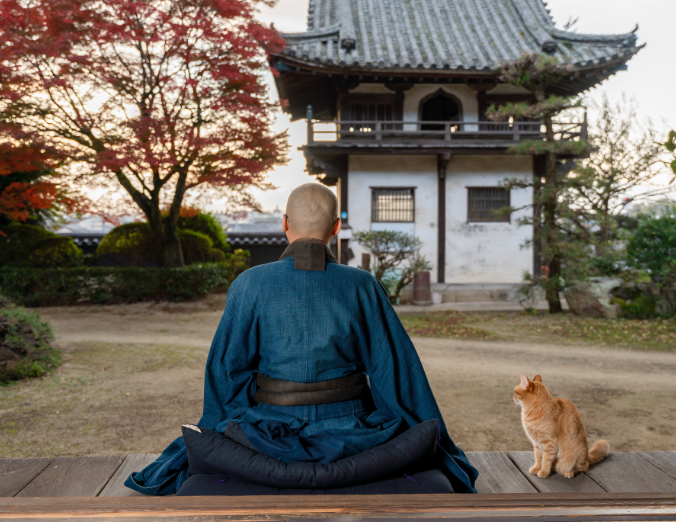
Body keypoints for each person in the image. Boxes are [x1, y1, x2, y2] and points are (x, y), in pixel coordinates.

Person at [126, 183, 478, 494]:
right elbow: (395, 372)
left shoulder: (250, 283)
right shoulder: (361, 285)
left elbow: (226, 372)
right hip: (351, 432)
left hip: (268, 432)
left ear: (284, 223)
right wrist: (424, 435)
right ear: (336, 228)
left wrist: (227, 427)